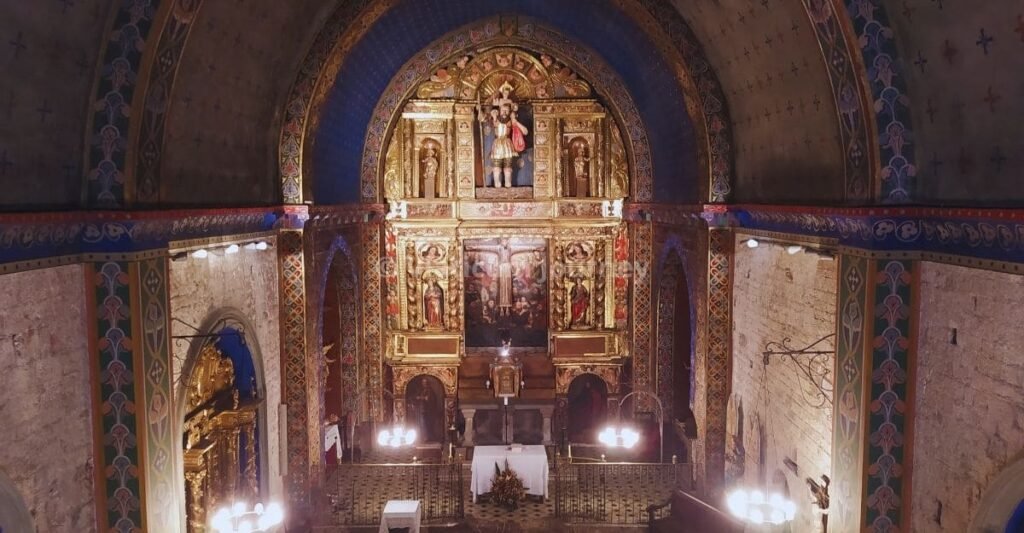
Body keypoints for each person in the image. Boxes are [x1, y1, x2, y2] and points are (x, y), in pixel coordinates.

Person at [478, 81, 528, 188]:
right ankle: (497, 185)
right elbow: (483, 119)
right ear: (499, 111)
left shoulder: (511, 120)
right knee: (496, 167)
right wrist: (479, 111)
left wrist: (515, 121)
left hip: (507, 144)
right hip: (497, 144)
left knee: (508, 167)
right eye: (502, 110)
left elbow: (525, 131)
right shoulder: (495, 118)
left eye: (506, 110)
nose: (504, 112)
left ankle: (508, 185)